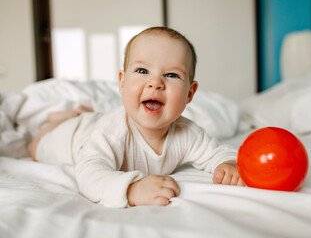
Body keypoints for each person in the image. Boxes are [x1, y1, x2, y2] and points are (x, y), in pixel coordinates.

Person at [29, 27, 244, 208]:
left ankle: (82, 114)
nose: (155, 83)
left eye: (171, 75)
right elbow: (89, 176)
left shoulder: (187, 133)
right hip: (75, 136)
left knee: (92, 119)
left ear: (190, 93)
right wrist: (132, 189)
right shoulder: (112, 132)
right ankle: (60, 120)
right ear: (122, 83)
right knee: (36, 147)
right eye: (142, 70)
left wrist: (228, 163)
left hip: (96, 122)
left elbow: (215, 153)